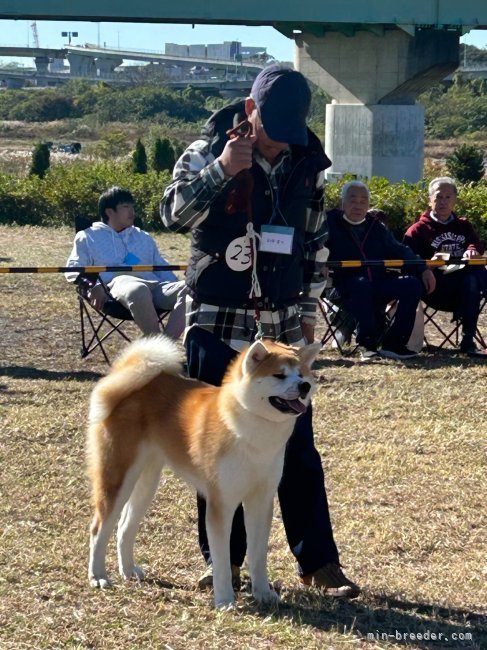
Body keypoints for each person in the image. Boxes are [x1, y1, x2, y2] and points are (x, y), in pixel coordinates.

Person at [160, 65, 360, 597]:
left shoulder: (308, 164)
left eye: (288, 131)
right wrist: (221, 171)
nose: (278, 142)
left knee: (297, 450)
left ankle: (319, 563)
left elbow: (317, 243)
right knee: (217, 451)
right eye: (270, 127)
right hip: (216, 325)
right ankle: (222, 565)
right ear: (250, 111)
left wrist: (312, 307)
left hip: (280, 331)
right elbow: (171, 215)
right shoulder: (207, 150)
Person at [326, 181, 436, 362]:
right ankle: (367, 345)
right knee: (361, 285)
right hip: (343, 286)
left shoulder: (375, 226)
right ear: (342, 203)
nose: (358, 205)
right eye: (353, 200)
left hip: (376, 283)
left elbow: (400, 250)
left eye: (364, 201)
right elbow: (316, 248)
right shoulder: (329, 222)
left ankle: (394, 344)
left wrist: (423, 268)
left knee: (411, 284)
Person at [66, 186, 185, 338]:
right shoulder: (88, 237)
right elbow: (73, 269)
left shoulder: (143, 237)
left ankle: (164, 348)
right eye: (126, 207)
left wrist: (175, 283)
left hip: (155, 286)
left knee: (191, 289)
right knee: (138, 289)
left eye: (132, 207)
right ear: (109, 212)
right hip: (117, 288)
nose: (132, 212)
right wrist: (93, 286)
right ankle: (158, 346)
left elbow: (161, 267)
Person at [404, 176, 487, 357]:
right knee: (477, 276)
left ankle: (467, 340)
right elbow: (409, 261)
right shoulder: (417, 230)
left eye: (448, 197)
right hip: (434, 287)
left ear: (455, 200)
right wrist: (429, 265)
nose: (443, 202)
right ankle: (468, 341)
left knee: (475, 273)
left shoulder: (464, 225)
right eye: (439, 197)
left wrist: (471, 251)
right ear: (430, 199)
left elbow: (477, 245)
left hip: (465, 287)